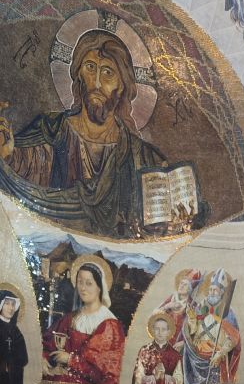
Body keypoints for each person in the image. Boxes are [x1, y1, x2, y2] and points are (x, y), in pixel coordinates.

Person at [0, 30, 166, 238]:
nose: (96, 83)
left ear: (123, 85)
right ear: (79, 74)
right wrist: (7, 155)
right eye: (90, 68)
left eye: (108, 72)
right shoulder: (52, 130)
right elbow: (21, 175)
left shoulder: (142, 157)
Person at [42, 257, 125, 384]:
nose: (83, 288)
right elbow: (48, 343)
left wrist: (70, 360)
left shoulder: (109, 324)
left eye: (89, 283)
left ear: (100, 287)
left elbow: (106, 372)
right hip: (60, 382)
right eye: (80, 282)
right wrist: (43, 357)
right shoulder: (71, 317)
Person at [181, 269, 240, 384]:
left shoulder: (227, 312)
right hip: (196, 357)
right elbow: (192, 332)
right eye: (210, 289)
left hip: (215, 358)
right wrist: (192, 319)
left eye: (215, 290)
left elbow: (233, 337)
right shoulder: (200, 307)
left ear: (222, 292)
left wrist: (220, 353)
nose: (212, 292)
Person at [132, 312, 184, 384]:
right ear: (152, 330)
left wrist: (164, 378)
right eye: (157, 329)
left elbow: (179, 383)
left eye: (163, 329)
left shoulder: (175, 355)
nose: (160, 332)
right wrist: (153, 378)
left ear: (168, 332)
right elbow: (138, 380)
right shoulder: (145, 351)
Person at [0, 290, 28, 384]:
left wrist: (11, 363)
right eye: (7, 304)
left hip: (13, 381)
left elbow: (24, 358)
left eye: (13, 304)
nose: (11, 308)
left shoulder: (16, 331)